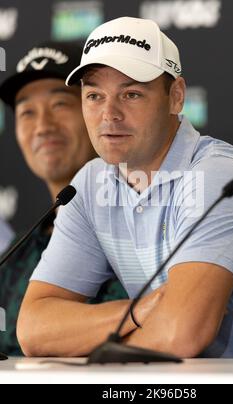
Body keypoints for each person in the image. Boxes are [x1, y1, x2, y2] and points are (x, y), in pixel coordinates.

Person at [18, 17, 233, 359]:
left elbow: (181, 333)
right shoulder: (91, 185)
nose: (109, 114)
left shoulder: (218, 175)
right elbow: (33, 329)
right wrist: (139, 311)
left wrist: (98, 341)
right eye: (94, 95)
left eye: (131, 93)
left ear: (176, 97)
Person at [0, 41, 128, 356]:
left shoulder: (140, 229)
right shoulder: (19, 250)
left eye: (60, 104)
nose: (43, 126)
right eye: (27, 112)